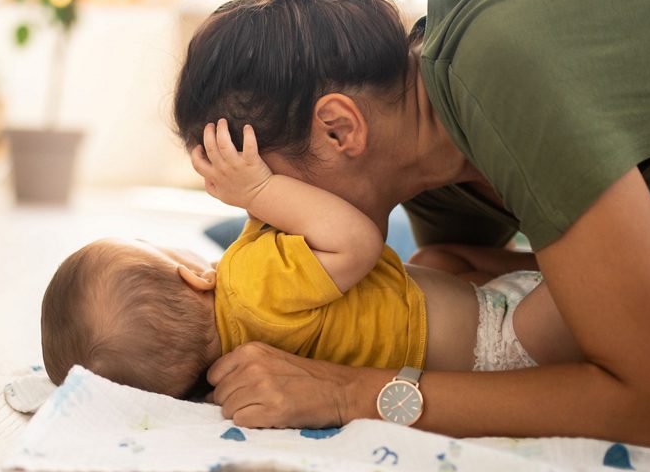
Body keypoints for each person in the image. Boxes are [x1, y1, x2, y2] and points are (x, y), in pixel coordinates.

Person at [172, 0, 650, 453]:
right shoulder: (429, 166)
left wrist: (347, 392)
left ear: (339, 130)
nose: (267, 221)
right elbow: (475, 338)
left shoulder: (500, 78)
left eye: (264, 192)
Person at [40, 119, 582, 402]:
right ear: (194, 274)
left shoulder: (233, 361)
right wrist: (257, 189)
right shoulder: (251, 284)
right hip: (501, 339)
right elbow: (356, 241)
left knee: (435, 256)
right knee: (583, 274)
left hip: (462, 327)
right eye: (155, 244)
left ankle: (536, 275)